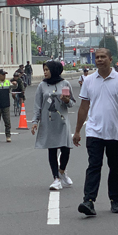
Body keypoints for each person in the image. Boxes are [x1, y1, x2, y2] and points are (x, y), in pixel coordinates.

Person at [74, 48, 118, 215]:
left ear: (110, 59)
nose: (99, 59)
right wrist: (77, 131)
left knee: (115, 167)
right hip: (94, 131)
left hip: (115, 131)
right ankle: (89, 200)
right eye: (97, 57)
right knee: (94, 165)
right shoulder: (88, 80)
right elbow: (84, 107)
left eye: (103, 57)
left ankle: (115, 200)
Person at [31, 60, 75, 191]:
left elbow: (72, 103)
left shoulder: (65, 84)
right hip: (48, 122)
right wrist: (35, 121)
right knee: (52, 149)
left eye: (47, 70)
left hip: (62, 122)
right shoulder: (42, 86)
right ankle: (56, 178)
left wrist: (66, 100)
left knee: (66, 149)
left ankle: (62, 171)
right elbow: (37, 105)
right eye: (44, 70)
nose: (45, 72)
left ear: (54, 70)